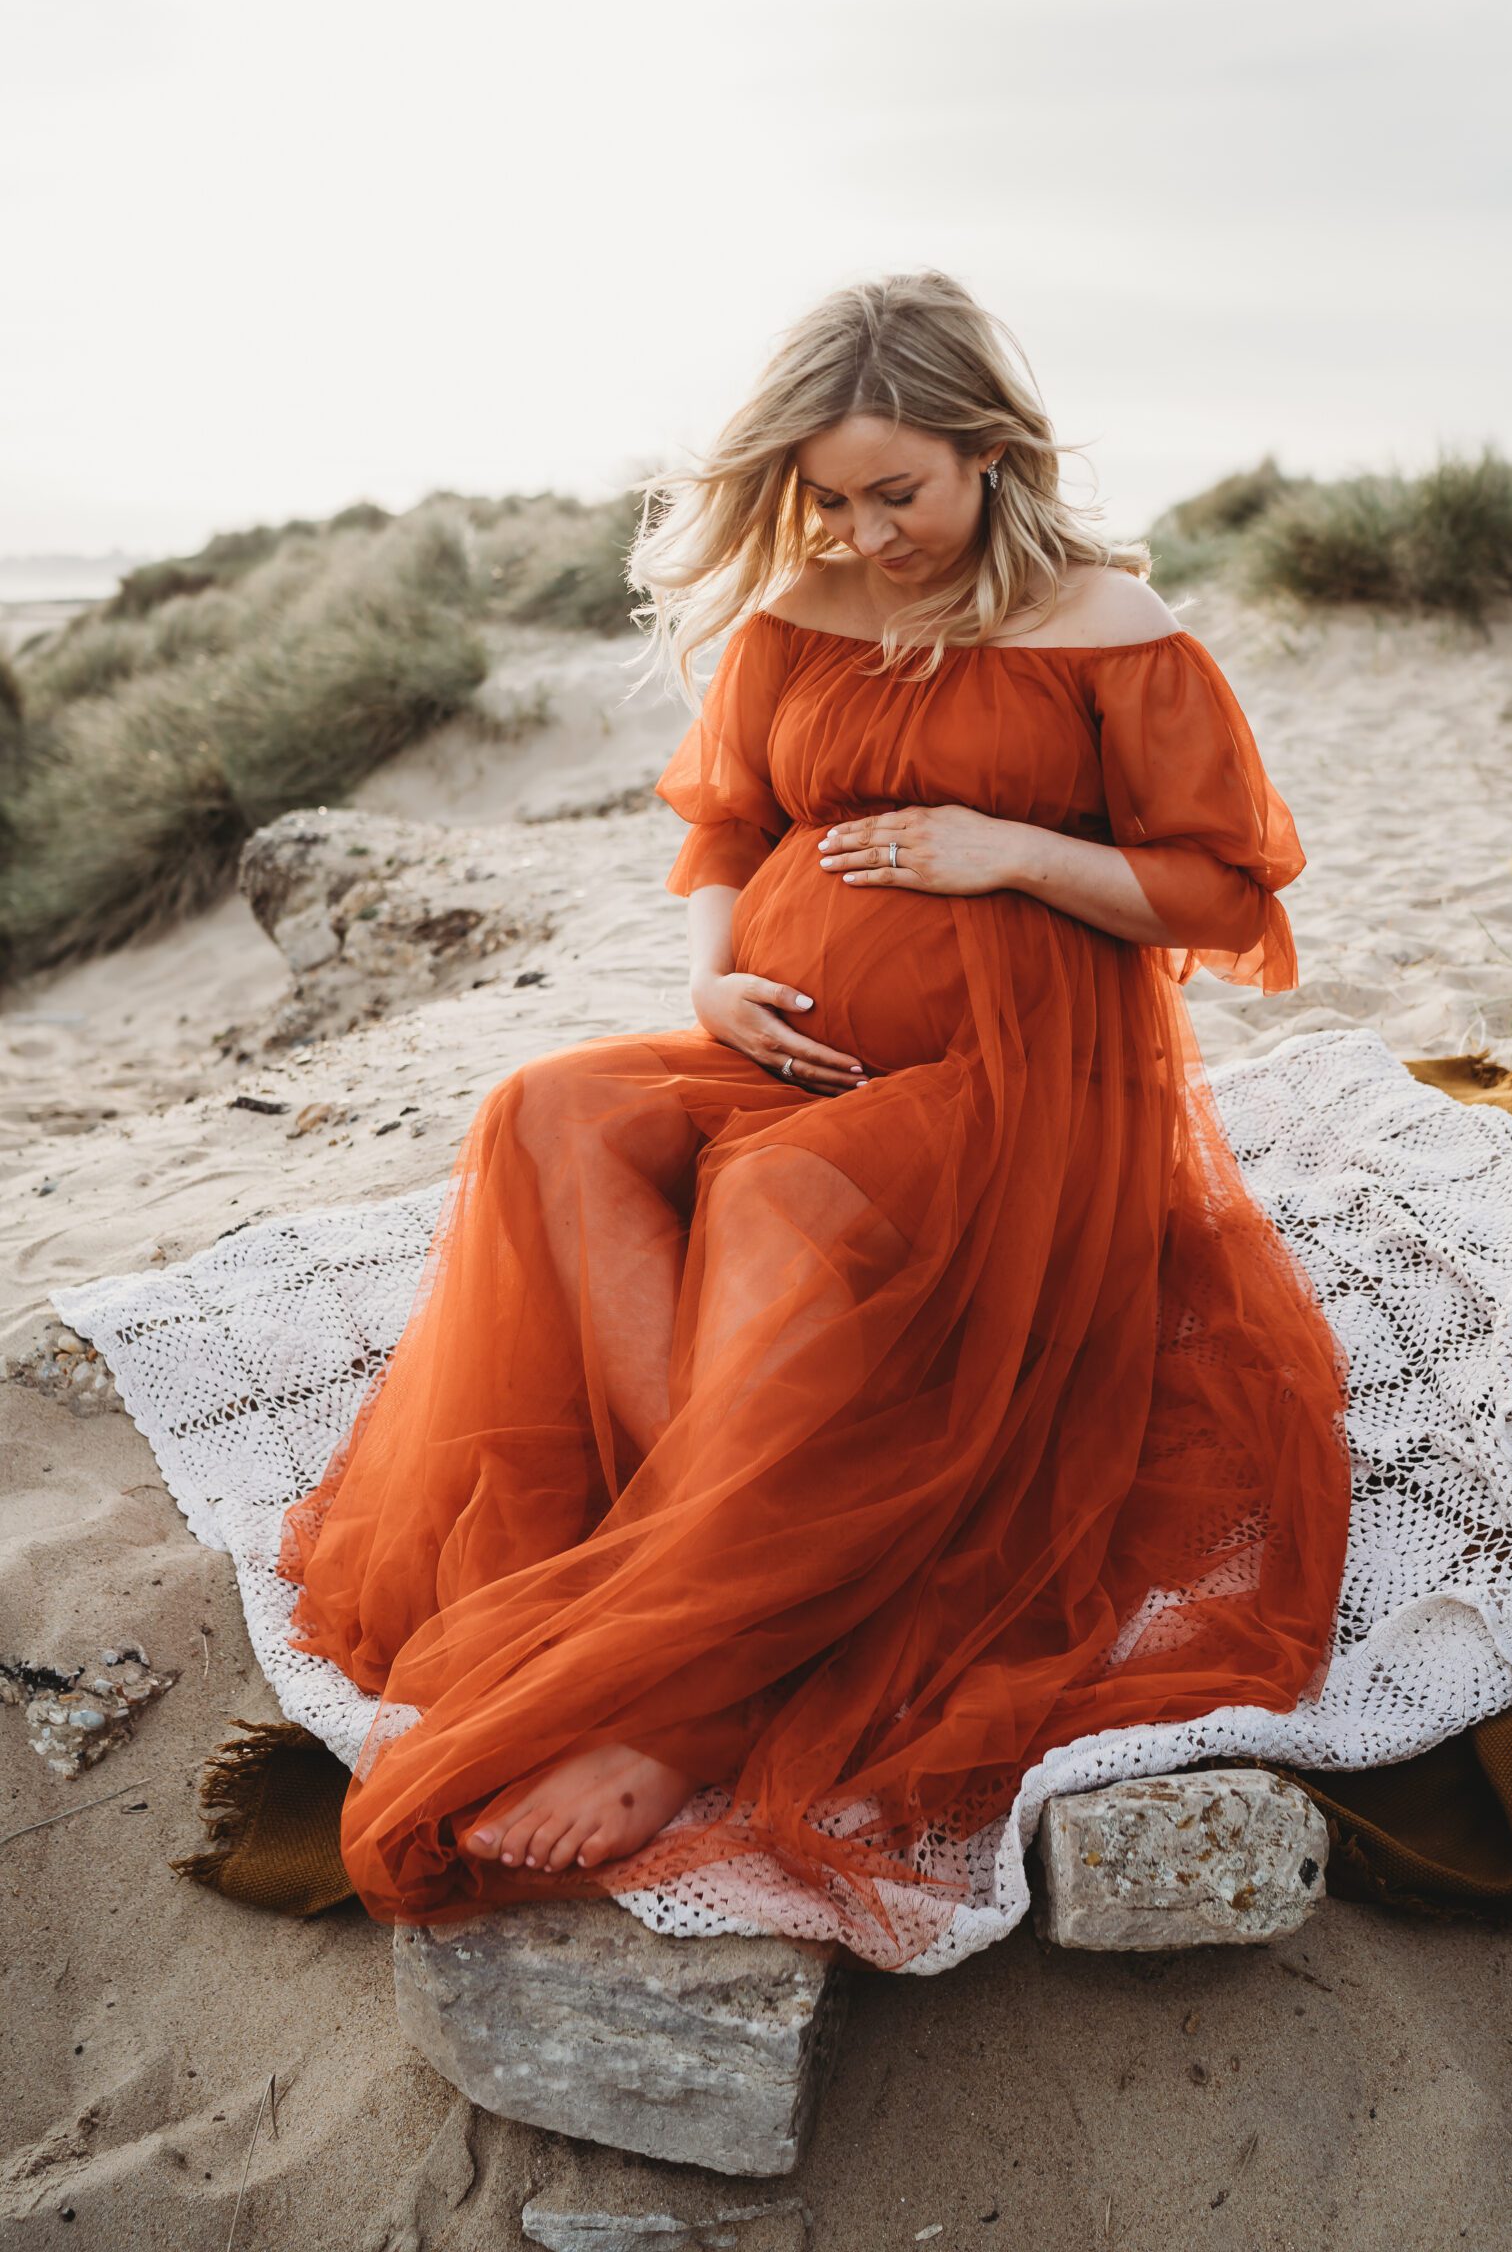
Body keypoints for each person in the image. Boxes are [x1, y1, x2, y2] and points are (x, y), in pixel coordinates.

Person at [278, 269, 1352, 1969]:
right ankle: (702, 1546)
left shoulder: (1110, 634)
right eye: (830, 497)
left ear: (990, 453)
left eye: (896, 492)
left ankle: (700, 1685)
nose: (865, 529)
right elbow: (723, 828)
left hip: (1016, 1080)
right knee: (548, 1114)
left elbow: (1222, 891)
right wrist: (713, 981)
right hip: (778, 1037)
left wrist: (1012, 854)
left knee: (780, 1204)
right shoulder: (800, 611)